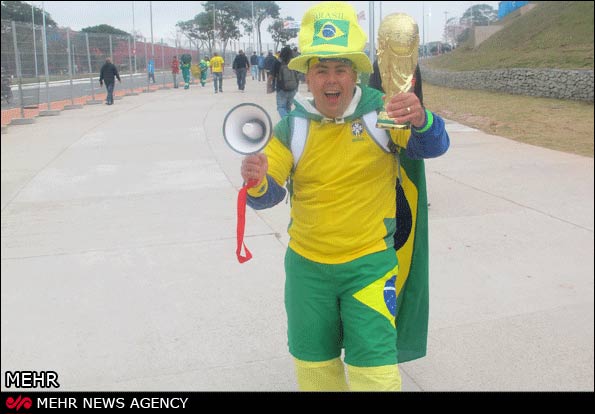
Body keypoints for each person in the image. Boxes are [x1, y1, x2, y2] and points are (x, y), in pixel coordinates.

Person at [239, 1, 449, 391]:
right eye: (321, 69)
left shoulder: (381, 113)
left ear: (356, 74)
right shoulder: (292, 126)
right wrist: (256, 180)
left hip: (369, 267)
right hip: (307, 271)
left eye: (340, 68)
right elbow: (267, 195)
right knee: (316, 372)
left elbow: (432, 146)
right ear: (308, 75)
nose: (331, 79)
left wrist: (421, 118)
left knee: (376, 376)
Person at [272, 45, 299, 118]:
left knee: (281, 107)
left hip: (281, 88)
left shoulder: (278, 62)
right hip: (293, 88)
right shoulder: (293, 62)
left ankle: (286, 123)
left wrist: (270, 86)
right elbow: (297, 75)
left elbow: (272, 75)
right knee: (288, 107)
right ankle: (289, 123)